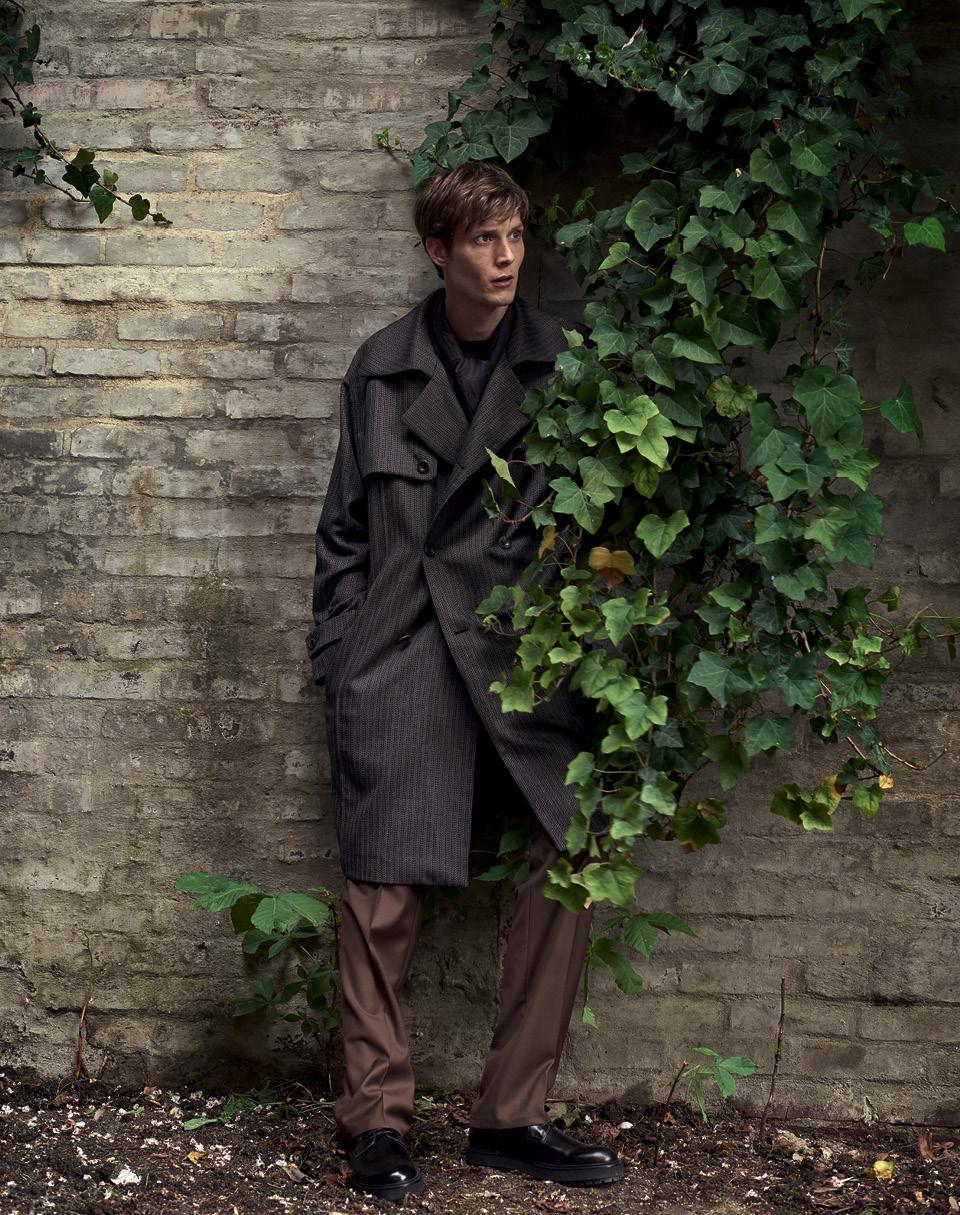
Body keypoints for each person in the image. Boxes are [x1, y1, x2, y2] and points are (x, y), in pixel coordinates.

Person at [305, 160, 624, 1202]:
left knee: (567, 859)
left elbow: (603, 524)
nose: (506, 256)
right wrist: (342, 657)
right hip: (402, 651)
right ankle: (376, 1124)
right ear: (437, 250)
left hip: (524, 659)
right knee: (379, 886)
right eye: (485, 239)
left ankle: (512, 1118)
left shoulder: (563, 366)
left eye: (517, 236)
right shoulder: (381, 369)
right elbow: (344, 533)